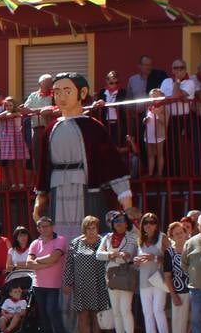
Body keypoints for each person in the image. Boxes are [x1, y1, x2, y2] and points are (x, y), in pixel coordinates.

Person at [33, 72, 135, 244]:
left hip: (86, 189)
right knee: (59, 238)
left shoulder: (93, 127)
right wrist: (40, 198)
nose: (61, 97)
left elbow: (112, 163)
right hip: (57, 189)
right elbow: (44, 166)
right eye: (57, 92)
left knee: (89, 233)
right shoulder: (51, 129)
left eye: (67, 91)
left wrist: (126, 200)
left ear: (82, 93)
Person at [63, 215, 111, 333]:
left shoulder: (103, 242)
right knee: (82, 315)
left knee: (96, 315)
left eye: (93, 228)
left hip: (98, 282)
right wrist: (67, 283)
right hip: (81, 284)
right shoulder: (75, 243)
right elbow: (69, 265)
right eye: (88, 228)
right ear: (84, 229)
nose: (91, 231)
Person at [25, 216, 68, 333]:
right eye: (41, 227)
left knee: (52, 312)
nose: (44, 229)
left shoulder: (60, 239)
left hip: (54, 284)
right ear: (38, 229)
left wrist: (37, 262)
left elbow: (54, 257)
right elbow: (28, 263)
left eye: (46, 226)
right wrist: (47, 263)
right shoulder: (34, 243)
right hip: (38, 284)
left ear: (52, 227)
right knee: (43, 315)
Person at [98, 212, 138, 333]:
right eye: (115, 221)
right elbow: (99, 254)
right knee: (116, 311)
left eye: (121, 220)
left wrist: (115, 255)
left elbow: (129, 256)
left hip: (125, 274)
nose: (118, 223)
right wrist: (112, 254)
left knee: (125, 309)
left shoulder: (132, 237)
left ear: (127, 223)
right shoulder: (107, 237)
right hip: (111, 274)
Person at [134, 213, 171, 333]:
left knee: (158, 310)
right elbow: (137, 263)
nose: (148, 225)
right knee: (147, 312)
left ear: (156, 225)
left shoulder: (162, 238)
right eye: (145, 222)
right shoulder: (140, 241)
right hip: (144, 280)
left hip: (158, 280)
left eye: (152, 222)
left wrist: (154, 257)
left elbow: (169, 258)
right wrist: (137, 262)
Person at [163, 59, 196, 176]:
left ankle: (182, 174)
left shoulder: (190, 82)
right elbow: (163, 99)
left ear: (185, 69)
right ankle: (169, 174)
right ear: (172, 70)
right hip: (167, 117)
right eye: (176, 68)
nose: (178, 70)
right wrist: (178, 97)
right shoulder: (166, 81)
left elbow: (174, 96)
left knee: (181, 147)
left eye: (181, 68)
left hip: (183, 118)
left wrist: (176, 84)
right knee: (168, 146)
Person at [21, 73, 58, 169]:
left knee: (51, 154)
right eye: (48, 82)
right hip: (37, 128)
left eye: (51, 82)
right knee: (37, 155)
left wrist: (34, 110)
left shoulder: (54, 95)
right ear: (40, 83)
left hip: (51, 128)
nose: (50, 84)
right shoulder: (33, 95)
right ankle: (38, 179)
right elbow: (25, 109)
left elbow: (53, 108)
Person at [167, 220, 191, 333]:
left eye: (181, 232)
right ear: (172, 236)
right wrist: (173, 294)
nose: (179, 235)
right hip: (179, 290)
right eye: (176, 234)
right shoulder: (169, 252)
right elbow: (167, 276)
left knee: (195, 318)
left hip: (195, 288)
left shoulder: (191, 247)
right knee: (179, 320)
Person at [143, 89, 168, 178]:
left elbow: (166, 122)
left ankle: (160, 173)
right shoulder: (148, 107)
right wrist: (145, 120)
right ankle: (150, 173)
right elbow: (147, 118)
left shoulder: (164, 107)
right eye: (152, 96)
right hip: (149, 134)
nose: (154, 98)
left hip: (159, 135)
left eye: (156, 96)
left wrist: (158, 114)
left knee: (160, 154)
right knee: (150, 155)